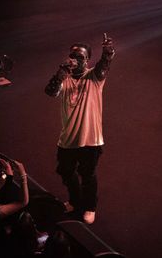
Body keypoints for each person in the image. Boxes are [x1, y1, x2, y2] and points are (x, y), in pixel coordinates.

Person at [45, 33, 115, 224]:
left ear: (87, 60)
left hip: (90, 139)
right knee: (65, 171)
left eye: (81, 57)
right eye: (73, 56)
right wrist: (61, 72)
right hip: (68, 138)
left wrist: (107, 54)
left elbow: (103, 68)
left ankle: (90, 207)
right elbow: (50, 92)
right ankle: (76, 201)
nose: (76, 60)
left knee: (88, 175)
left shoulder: (94, 77)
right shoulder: (64, 79)